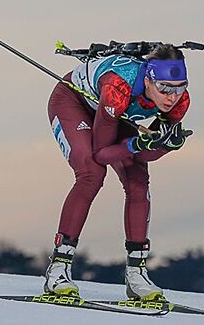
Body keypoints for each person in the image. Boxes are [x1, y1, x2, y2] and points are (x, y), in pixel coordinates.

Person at [44, 44, 192, 300]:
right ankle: (58, 269)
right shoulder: (118, 88)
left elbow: (143, 154)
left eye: (179, 88)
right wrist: (138, 143)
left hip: (115, 115)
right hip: (73, 103)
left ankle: (136, 275)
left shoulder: (180, 102)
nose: (172, 97)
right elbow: (102, 153)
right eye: (165, 88)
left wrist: (163, 146)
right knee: (91, 173)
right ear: (148, 80)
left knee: (138, 181)